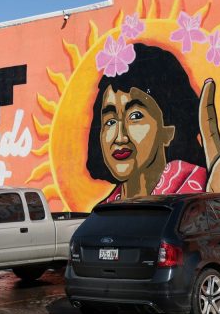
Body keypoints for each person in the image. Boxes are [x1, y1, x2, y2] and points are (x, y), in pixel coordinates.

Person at [86, 43, 206, 201]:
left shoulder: (198, 193)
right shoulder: (105, 210)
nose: (120, 137)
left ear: (169, 129)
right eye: (110, 122)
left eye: (135, 116)